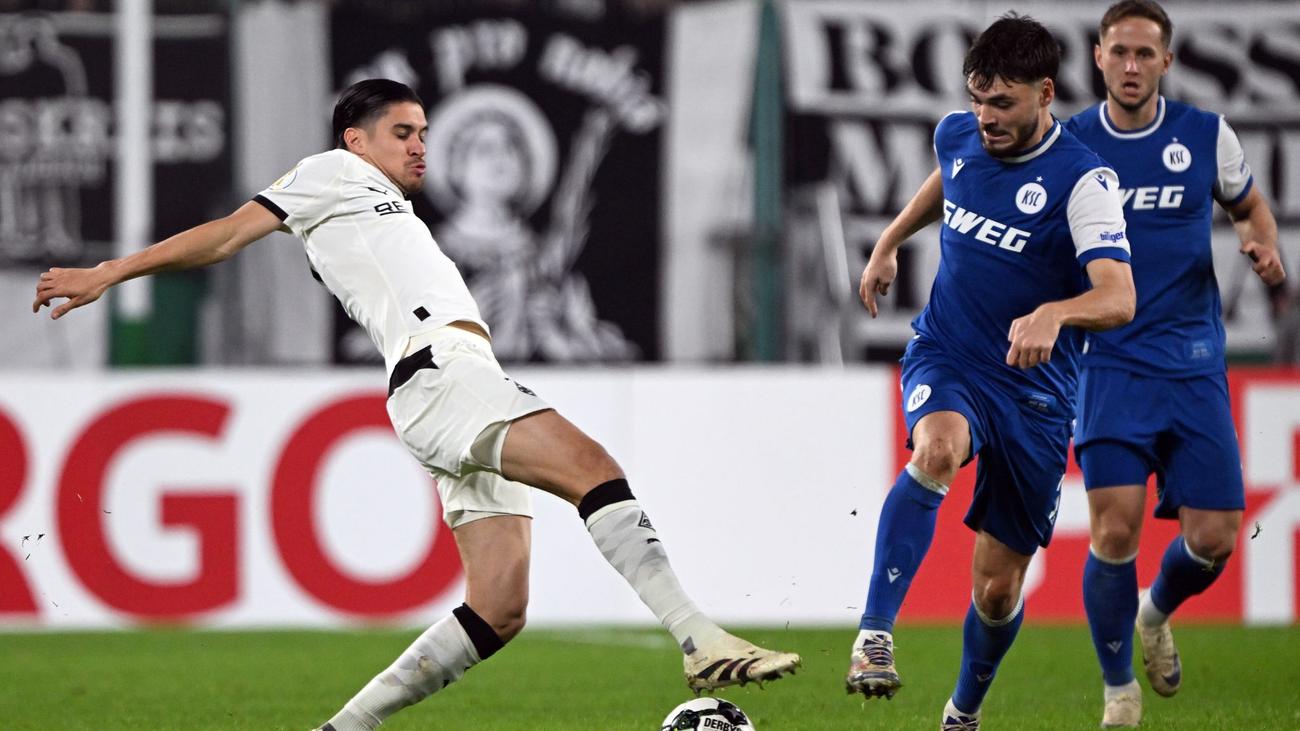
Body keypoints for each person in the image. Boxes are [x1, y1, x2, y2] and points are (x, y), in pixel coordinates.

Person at [31, 78, 799, 731]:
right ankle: (698, 637)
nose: (420, 146)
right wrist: (109, 272)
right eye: (403, 132)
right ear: (355, 140)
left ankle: (341, 728)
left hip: (446, 382)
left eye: (425, 132)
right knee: (591, 467)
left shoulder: (381, 206)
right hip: (443, 375)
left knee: (498, 609)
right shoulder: (330, 172)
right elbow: (228, 235)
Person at [843, 15, 1136, 730]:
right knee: (936, 450)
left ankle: (963, 713)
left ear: (1045, 93)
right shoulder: (960, 135)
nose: (985, 118)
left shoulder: (1084, 181)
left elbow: (1120, 297)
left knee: (997, 591)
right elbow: (948, 180)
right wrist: (888, 242)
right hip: (950, 352)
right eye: (977, 100)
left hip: (1036, 395)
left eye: (1002, 103)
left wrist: (1056, 313)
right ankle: (874, 634)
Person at [1063, 2, 1285, 726]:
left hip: (1192, 364)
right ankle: (1118, 690)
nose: (1131, 65)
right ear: (1098, 56)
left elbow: (1250, 208)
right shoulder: (1071, 145)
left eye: (1144, 53)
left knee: (1215, 536)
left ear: (1167, 60)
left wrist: (1263, 244)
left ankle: (1153, 613)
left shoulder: (1205, 135)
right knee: (1114, 532)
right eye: (1119, 52)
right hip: (1110, 364)